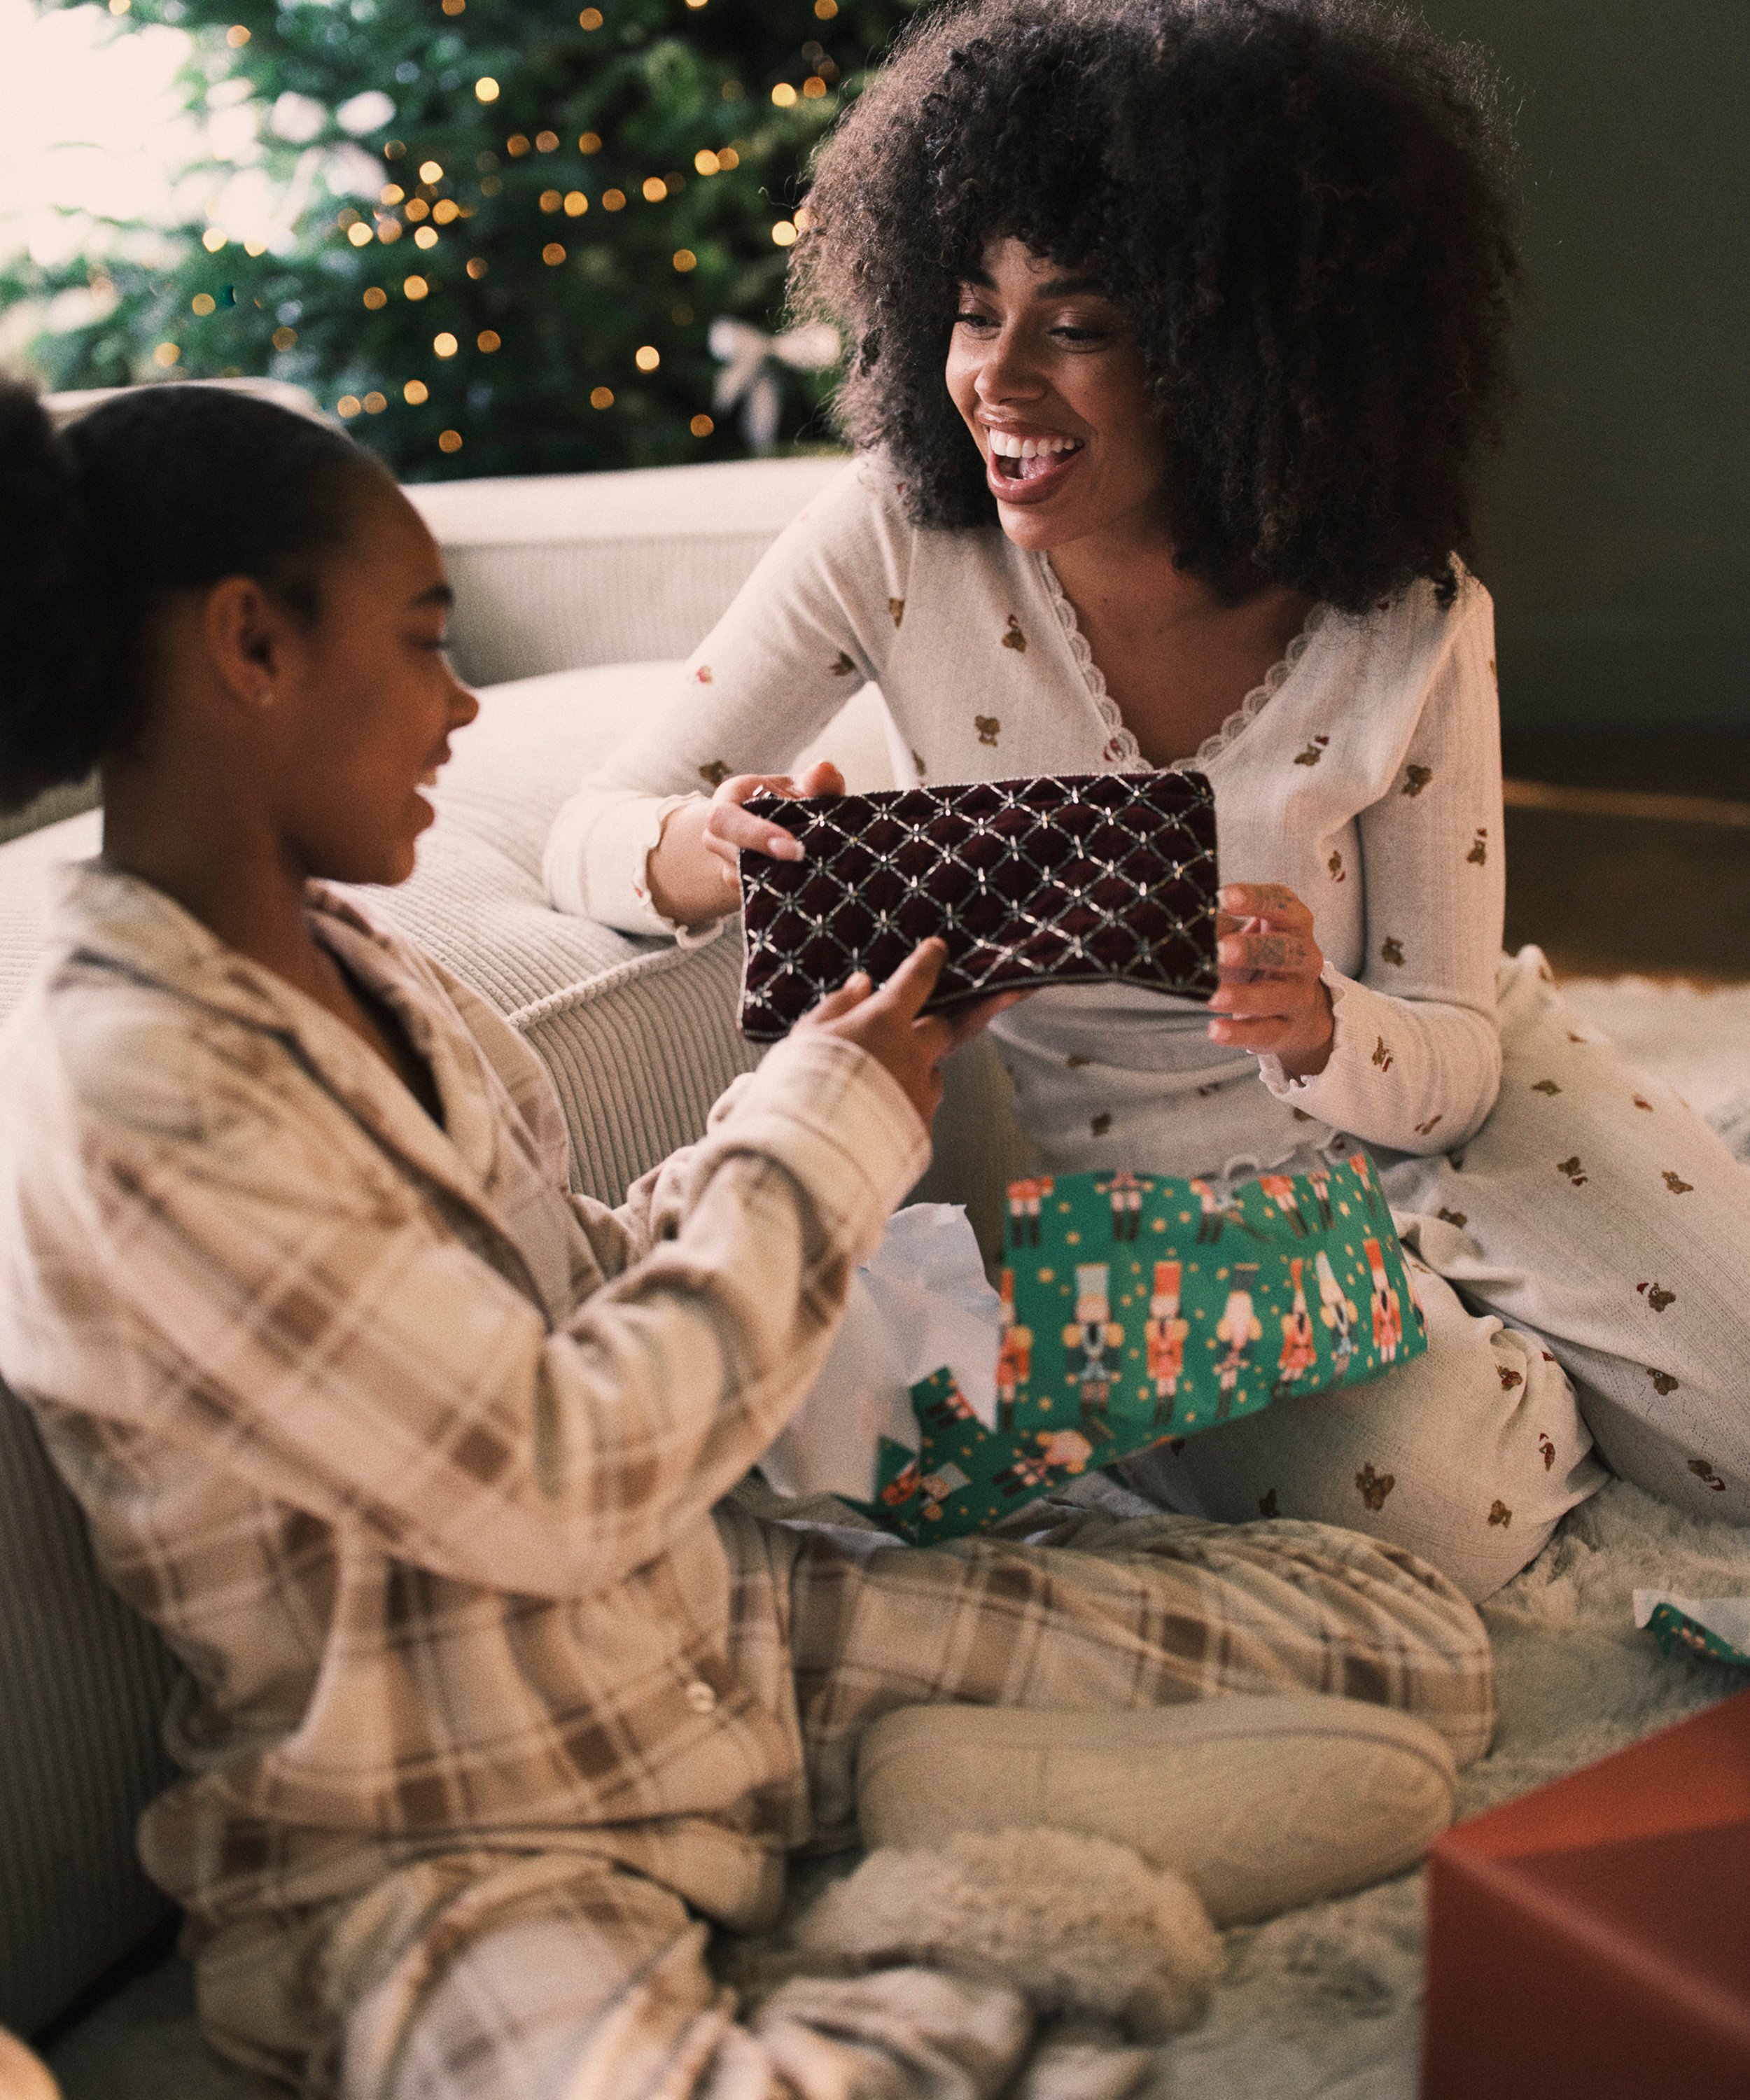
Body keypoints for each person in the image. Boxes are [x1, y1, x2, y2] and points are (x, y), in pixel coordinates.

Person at [0, 382, 1492, 2099]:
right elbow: (554, 1478)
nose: (459, 701)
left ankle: (916, 1781)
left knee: (1408, 1640)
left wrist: (827, 1078)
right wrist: (822, 1131)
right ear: (252, 644)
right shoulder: (137, 1095)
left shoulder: (365, 965)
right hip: (456, 1824)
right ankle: (948, 1908)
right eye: (421, 642)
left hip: (722, 1638)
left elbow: (576, 1283)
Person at [545, 0, 1750, 1602]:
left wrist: (1322, 1024)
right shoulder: (891, 543)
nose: (997, 380)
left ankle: (1606, 1223)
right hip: (1180, 1212)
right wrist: (704, 852)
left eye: (1082, 323)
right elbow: (592, 825)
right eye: (974, 311)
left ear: (1242, 343)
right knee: (1445, 1519)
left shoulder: (1401, 616)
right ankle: (1537, 1304)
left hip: (1446, 1102)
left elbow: (1454, 1049)